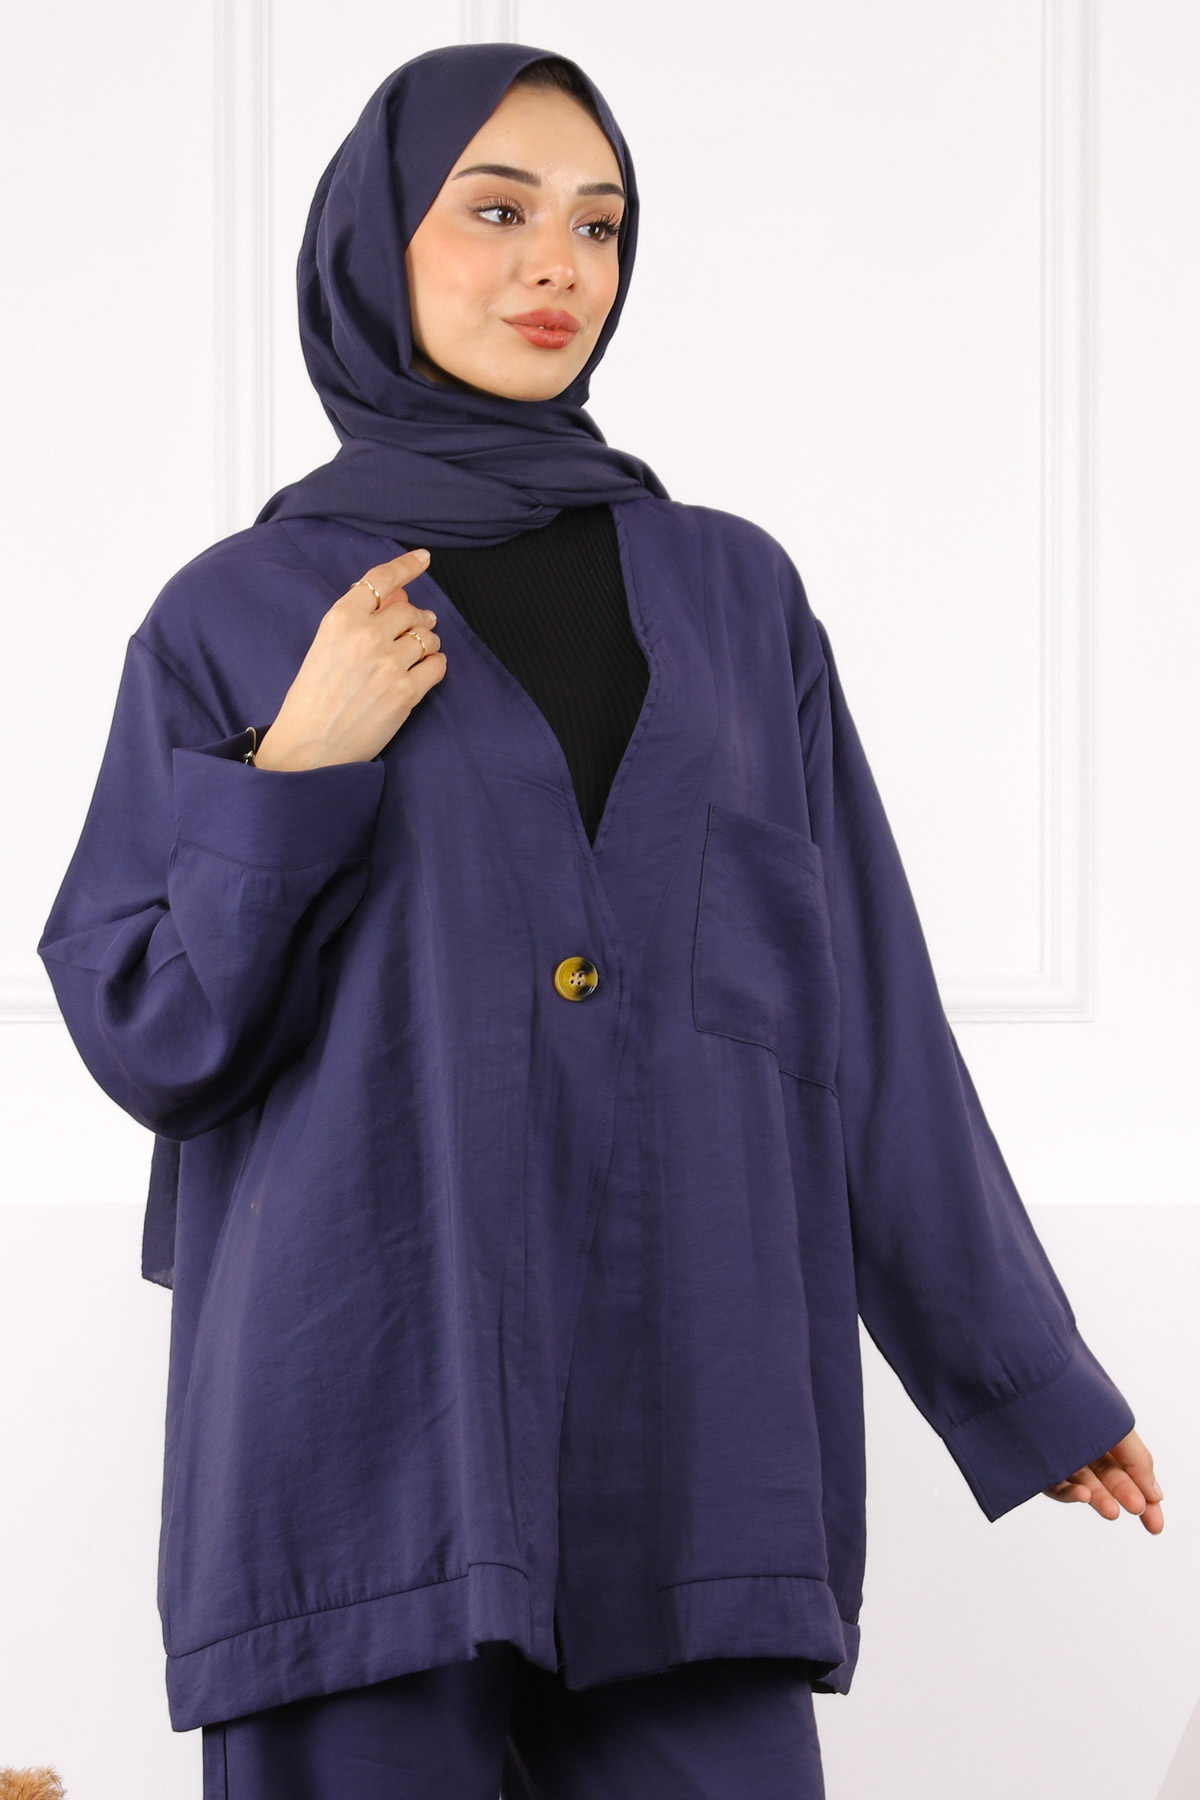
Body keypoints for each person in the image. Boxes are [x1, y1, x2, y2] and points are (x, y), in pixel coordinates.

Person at [36, 41, 1162, 1800]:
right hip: (365, 1449)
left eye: (597, 223)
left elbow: (864, 1020)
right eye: (496, 212)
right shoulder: (237, 616)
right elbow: (149, 1026)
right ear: (375, 244)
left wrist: (1022, 1375)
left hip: (696, 1436)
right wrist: (294, 769)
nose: (556, 265)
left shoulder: (737, 599)